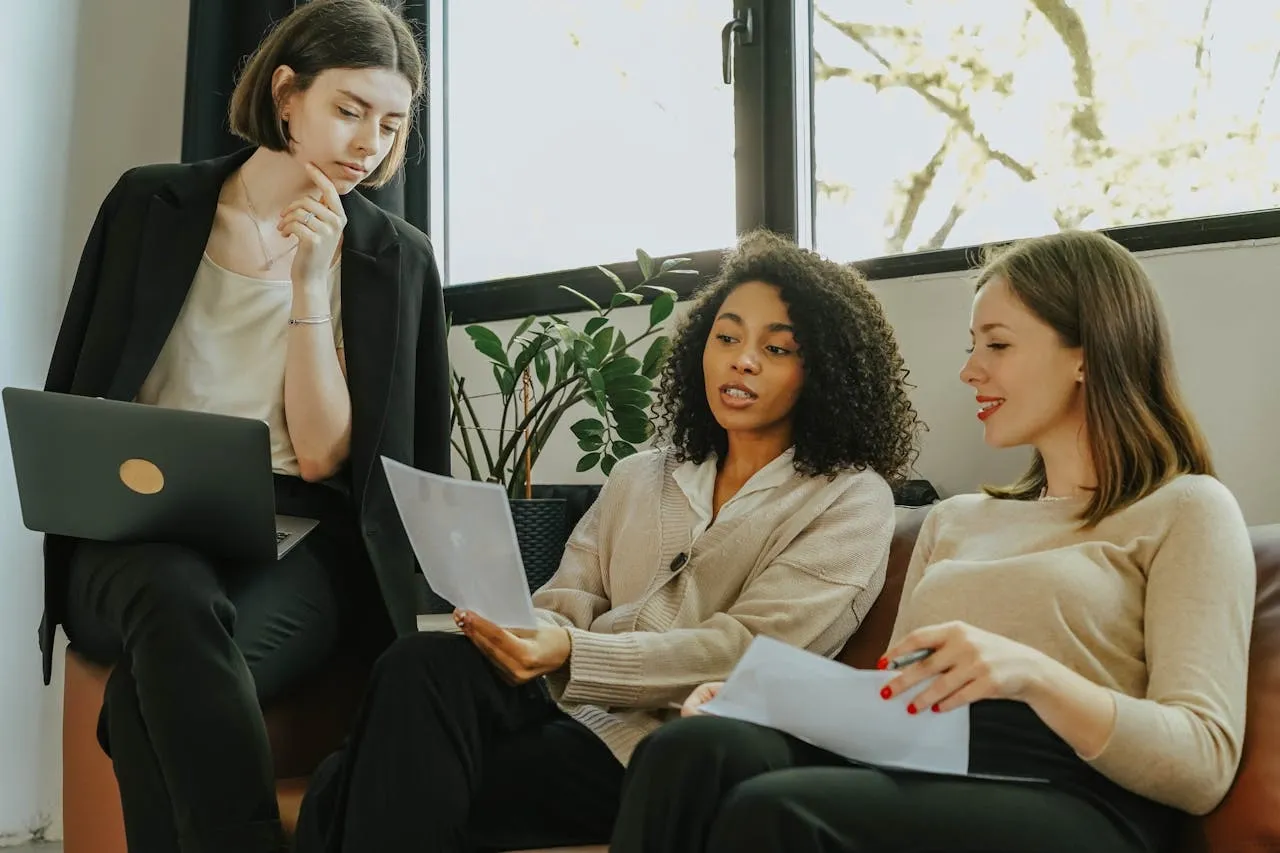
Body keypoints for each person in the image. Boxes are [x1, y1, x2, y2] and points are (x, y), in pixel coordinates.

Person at [610, 229, 1256, 853]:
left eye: (997, 345)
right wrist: (759, 703)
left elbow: (1201, 762)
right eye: (972, 345)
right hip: (932, 761)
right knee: (691, 749)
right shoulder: (957, 519)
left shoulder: (1187, 508)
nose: (970, 370)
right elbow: (891, 713)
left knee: (776, 812)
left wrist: (1033, 674)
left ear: (1086, 350)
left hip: (1081, 794)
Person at [293, 229, 923, 852]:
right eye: (726, 338)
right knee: (419, 662)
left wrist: (569, 653)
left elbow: (749, 654)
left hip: (656, 748)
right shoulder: (641, 473)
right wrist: (515, 626)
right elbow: (571, 596)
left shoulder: (849, 497)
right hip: (557, 706)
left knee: (340, 784)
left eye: (778, 349)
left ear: (826, 371)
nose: (742, 360)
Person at [40, 2, 448, 852]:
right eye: (349, 110)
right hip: (135, 527)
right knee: (170, 591)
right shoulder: (150, 204)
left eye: (391, 122)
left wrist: (309, 287)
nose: (369, 141)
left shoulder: (393, 258)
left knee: (144, 698)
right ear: (286, 93)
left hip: (298, 535)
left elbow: (332, 454)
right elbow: (83, 383)